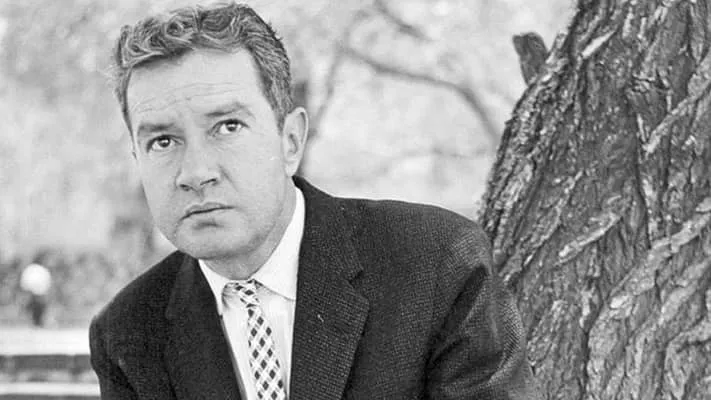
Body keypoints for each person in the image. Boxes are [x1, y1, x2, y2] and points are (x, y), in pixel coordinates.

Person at [89, 2, 539, 399]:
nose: (195, 173)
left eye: (227, 126)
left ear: (291, 141)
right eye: (163, 141)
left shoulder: (436, 264)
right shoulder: (129, 332)